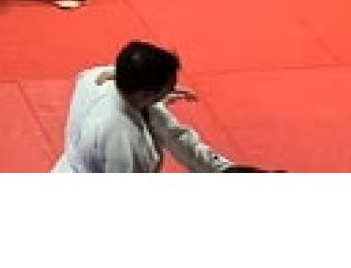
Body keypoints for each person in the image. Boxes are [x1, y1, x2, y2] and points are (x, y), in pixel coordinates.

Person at [52, 42, 244, 172]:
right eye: (168, 87)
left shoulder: (97, 77)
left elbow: (174, 136)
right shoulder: (122, 137)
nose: (172, 89)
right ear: (145, 94)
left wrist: (224, 171)